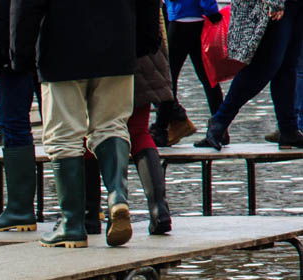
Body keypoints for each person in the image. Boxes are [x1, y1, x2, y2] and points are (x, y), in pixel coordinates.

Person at [12, 0, 161, 248]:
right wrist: (143, 42)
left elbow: (24, 7)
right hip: (118, 44)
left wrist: (21, 54)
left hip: (61, 47)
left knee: (64, 135)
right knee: (112, 125)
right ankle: (117, 196)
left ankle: (72, 224)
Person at [196, 0, 303, 149]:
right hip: (276, 4)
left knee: (286, 68)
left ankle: (288, 129)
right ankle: (219, 121)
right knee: (263, 67)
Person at [0, 0, 39, 232]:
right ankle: (85, 211)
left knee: (13, 123)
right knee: (65, 127)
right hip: (43, 45)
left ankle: (20, 209)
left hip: (11, 48)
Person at [151, 0, 223, 146]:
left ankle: (161, 129)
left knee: (169, 79)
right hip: (199, 20)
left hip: (179, 20)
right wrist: (211, 11)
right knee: (208, 78)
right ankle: (221, 129)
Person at [130, 16, 174, 235]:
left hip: (112, 50)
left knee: (92, 131)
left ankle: (90, 213)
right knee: (139, 132)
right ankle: (159, 210)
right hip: (147, 54)